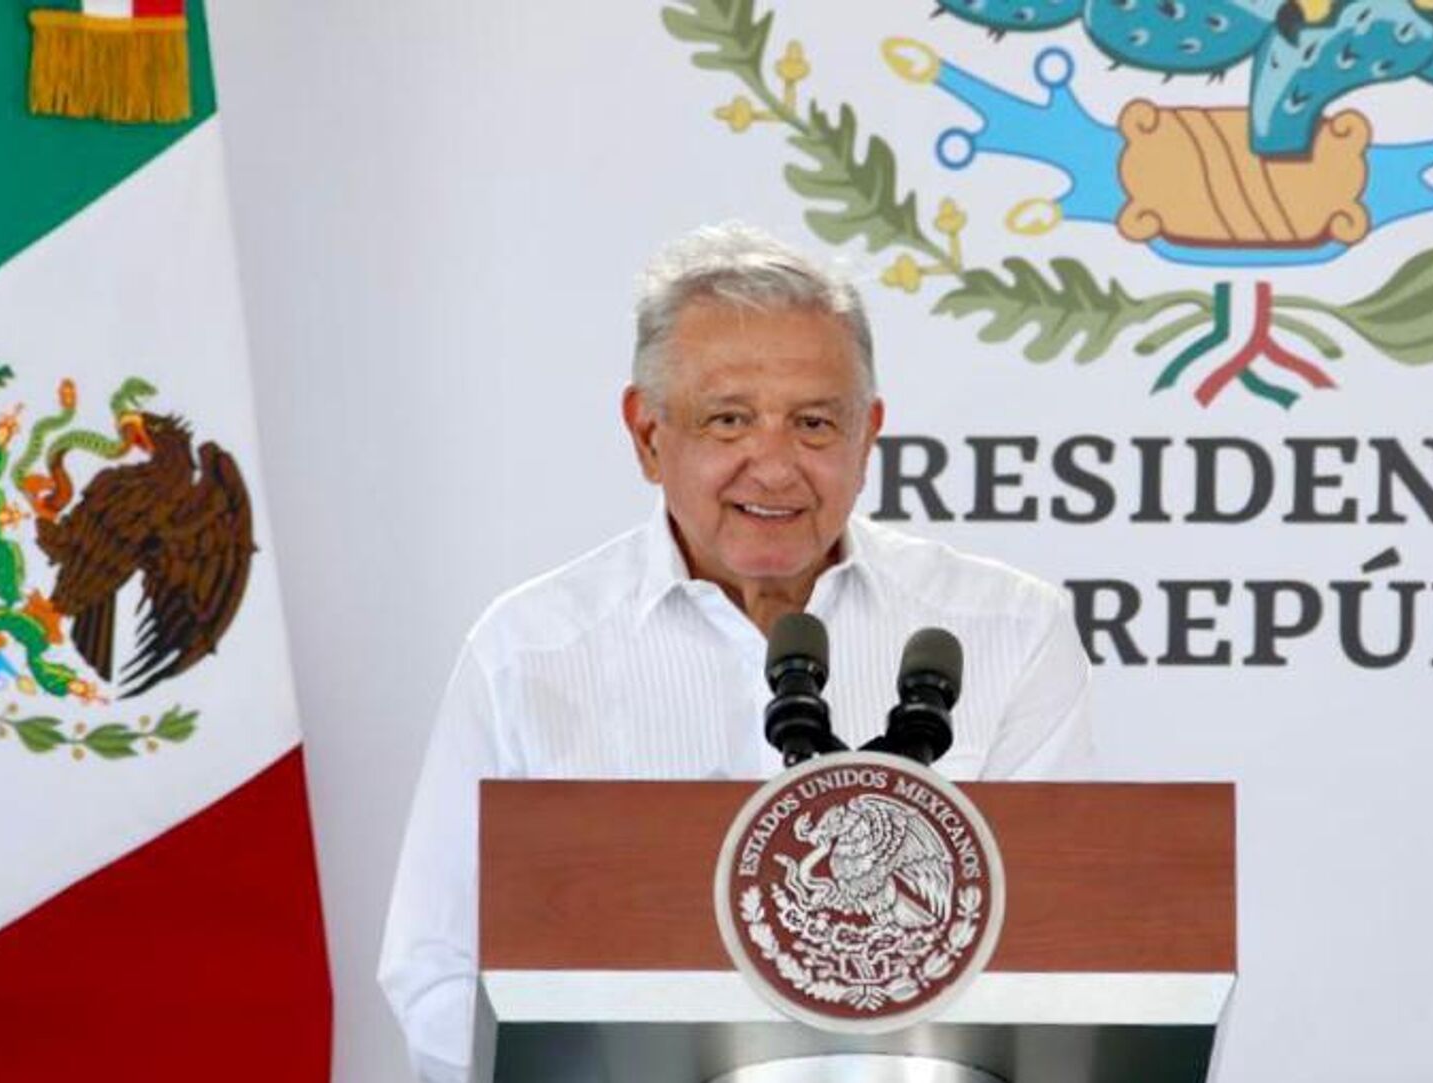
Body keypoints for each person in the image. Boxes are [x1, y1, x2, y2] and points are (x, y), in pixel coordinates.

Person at [377, 223, 1094, 1082]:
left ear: (868, 435)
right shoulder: (528, 651)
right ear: (648, 434)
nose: (775, 466)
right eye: (729, 420)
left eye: (814, 423)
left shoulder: (1009, 631)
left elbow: (1061, 960)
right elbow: (438, 969)